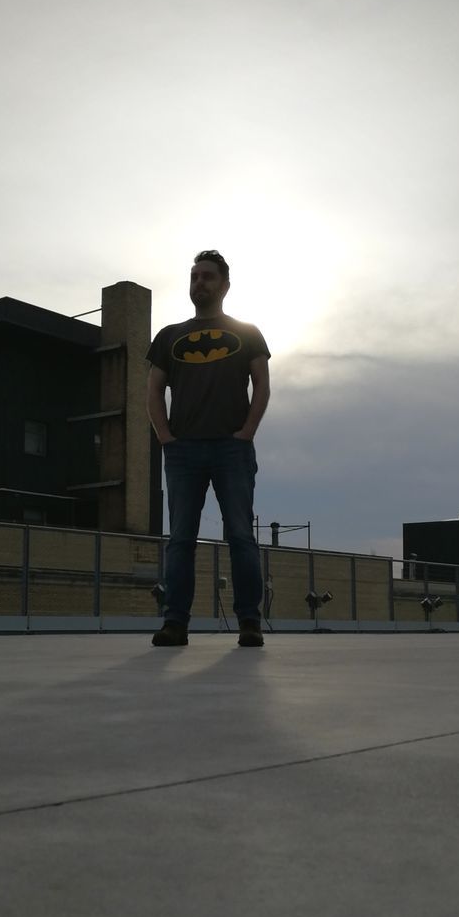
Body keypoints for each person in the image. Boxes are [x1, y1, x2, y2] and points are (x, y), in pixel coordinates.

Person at [146, 250, 271, 647]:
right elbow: (152, 390)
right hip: (183, 451)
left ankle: (249, 621)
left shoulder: (247, 332)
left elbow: (262, 387)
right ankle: (175, 623)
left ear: (225, 285)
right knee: (181, 539)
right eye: (195, 276)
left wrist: (246, 432)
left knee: (240, 536)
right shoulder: (169, 335)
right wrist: (166, 438)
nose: (199, 282)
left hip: (231, 448)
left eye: (208, 277)